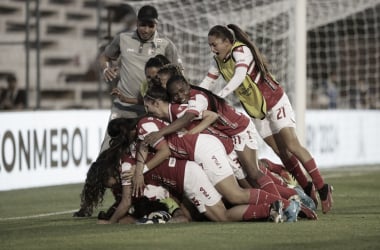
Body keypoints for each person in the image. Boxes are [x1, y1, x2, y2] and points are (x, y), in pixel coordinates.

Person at [197, 24, 333, 214]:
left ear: (228, 42)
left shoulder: (241, 50)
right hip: (257, 111)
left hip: (275, 101)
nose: (212, 49)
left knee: (292, 145)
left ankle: (321, 187)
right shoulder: (217, 61)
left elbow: (239, 75)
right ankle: (307, 187)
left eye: (215, 44)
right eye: (210, 45)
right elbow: (207, 82)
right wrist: (193, 97)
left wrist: (221, 94)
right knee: (282, 153)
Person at [136, 87, 318, 221]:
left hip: (214, 147)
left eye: (147, 106)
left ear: (156, 102)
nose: (147, 111)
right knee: (245, 185)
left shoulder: (173, 112)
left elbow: (210, 116)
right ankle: (287, 202)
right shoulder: (168, 116)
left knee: (239, 190)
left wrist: (189, 135)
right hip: (210, 147)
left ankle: (290, 203)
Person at [74, 5, 181, 217]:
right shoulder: (122, 39)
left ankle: (161, 202)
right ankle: (87, 205)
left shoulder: (166, 45)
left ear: (156, 25)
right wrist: (107, 69)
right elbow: (105, 58)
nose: (146, 29)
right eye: (143, 24)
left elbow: (178, 74)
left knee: (149, 157)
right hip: (122, 110)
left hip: (149, 113)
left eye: (151, 25)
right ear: (137, 23)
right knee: (105, 156)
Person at [96, 117, 288, 223]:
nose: (110, 186)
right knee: (193, 215)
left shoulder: (128, 163)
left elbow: (126, 201)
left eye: (106, 183)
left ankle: (275, 207)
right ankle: (280, 203)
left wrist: (109, 223)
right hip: (188, 170)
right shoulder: (138, 145)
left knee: (225, 213)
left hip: (190, 175)